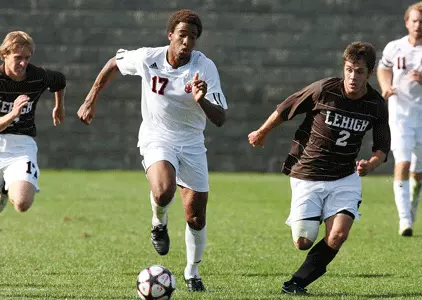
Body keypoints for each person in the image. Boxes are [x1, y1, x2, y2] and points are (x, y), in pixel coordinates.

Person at [77, 9, 227, 292]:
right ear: (170, 35)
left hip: (192, 142)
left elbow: (220, 119)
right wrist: (90, 100)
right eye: (182, 35)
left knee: (196, 216)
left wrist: (202, 99)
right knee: (163, 190)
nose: (187, 42)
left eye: (193, 37)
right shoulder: (149, 57)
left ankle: (192, 272)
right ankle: (159, 221)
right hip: (157, 135)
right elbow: (113, 63)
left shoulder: (204, 67)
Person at [248, 42, 391, 295]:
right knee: (303, 241)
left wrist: (371, 164)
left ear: (369, 74)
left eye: (359, 72)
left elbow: (382, 147)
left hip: (344, 177)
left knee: (338, 235)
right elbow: (285, 109)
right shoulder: (324, 89)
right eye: (349, 70)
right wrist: (262, 132)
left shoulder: (376, 104)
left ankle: (296, 283)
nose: (353, 77)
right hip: (308, 173)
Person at [0, 31, 66, 274]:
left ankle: (5, 187)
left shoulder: (37, 75)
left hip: (21, 144)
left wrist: (59, 106)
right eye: (18, 57)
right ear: (4, 55)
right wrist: (13, 114)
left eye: (27, 57)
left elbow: (60, 81)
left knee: (22, 203)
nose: (23, 63)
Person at [377, 1, 422, 236]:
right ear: (407, 23)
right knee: (402, 162)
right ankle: (404, 219)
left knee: (418, 172)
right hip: (400, 116)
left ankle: (411, 207)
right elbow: (383, 68)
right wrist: (386, 86)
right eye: (414, 21)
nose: (418, 25)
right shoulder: (395, 47)